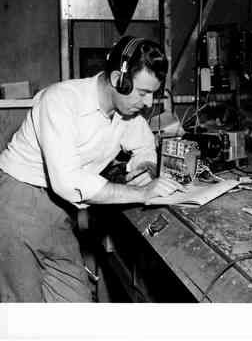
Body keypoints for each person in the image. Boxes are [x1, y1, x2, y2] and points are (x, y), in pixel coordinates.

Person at [0, 36, 182, 302]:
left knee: (77, 302)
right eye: (143, 92)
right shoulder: (61, 100)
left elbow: (144, 146)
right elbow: (67, 180)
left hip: (60, 212)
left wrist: (144, 168)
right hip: (17, 204)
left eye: (153, 93)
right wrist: (141, 193)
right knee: (21, 308)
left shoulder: (126, 112)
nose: (147, 103)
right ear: (118, 79)